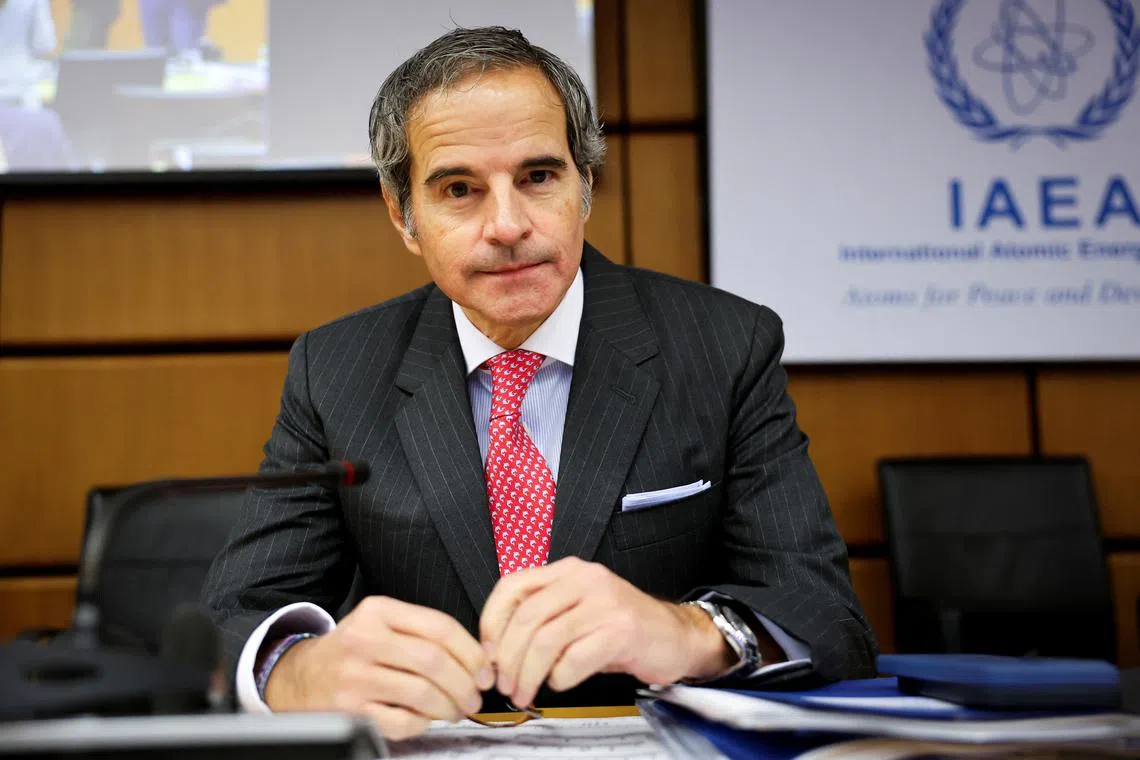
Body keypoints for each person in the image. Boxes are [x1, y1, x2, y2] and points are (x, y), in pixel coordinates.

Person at [203, 26, 876, 741]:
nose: (507, 225)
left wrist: (686, 633)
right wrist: (298, 673)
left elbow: (826, 617)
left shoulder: (724, 345)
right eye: (459, 189)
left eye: (538, 177)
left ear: (584, 186)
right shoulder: (336, 369)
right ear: (403, 215)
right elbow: (231, 616)